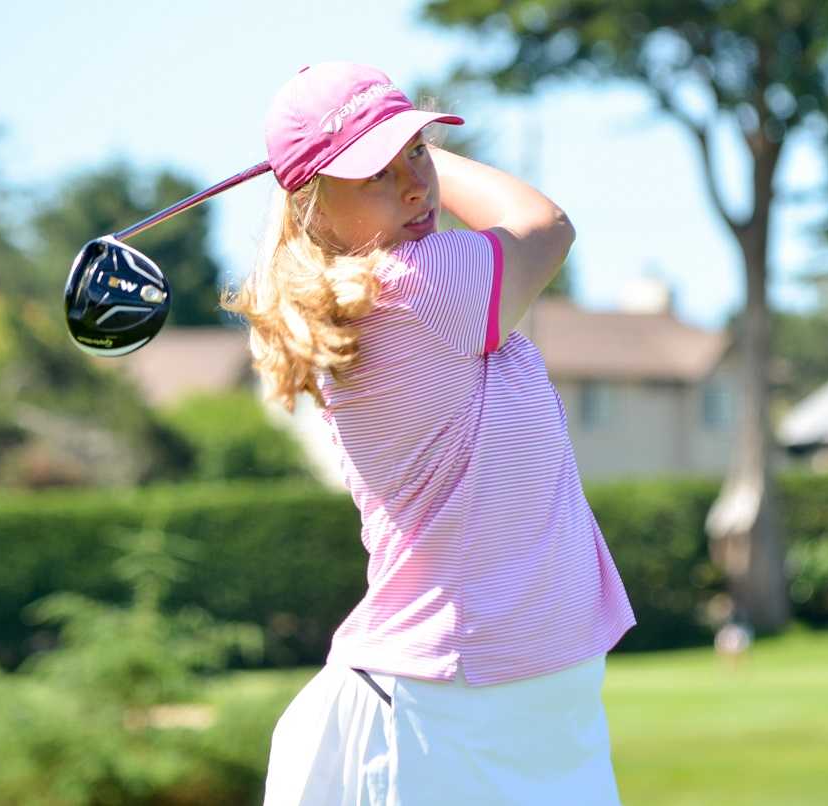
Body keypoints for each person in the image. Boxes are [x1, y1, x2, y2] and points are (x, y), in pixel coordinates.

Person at [224, 61, 636, 806]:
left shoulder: (408, 287)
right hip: (436, 713)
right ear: (313, 209)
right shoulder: (415, 286)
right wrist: (426, 155)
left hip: (503, 695)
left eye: (417, 151)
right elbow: (545, 225)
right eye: (374, 175)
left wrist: (387, 147)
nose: (414, 185)